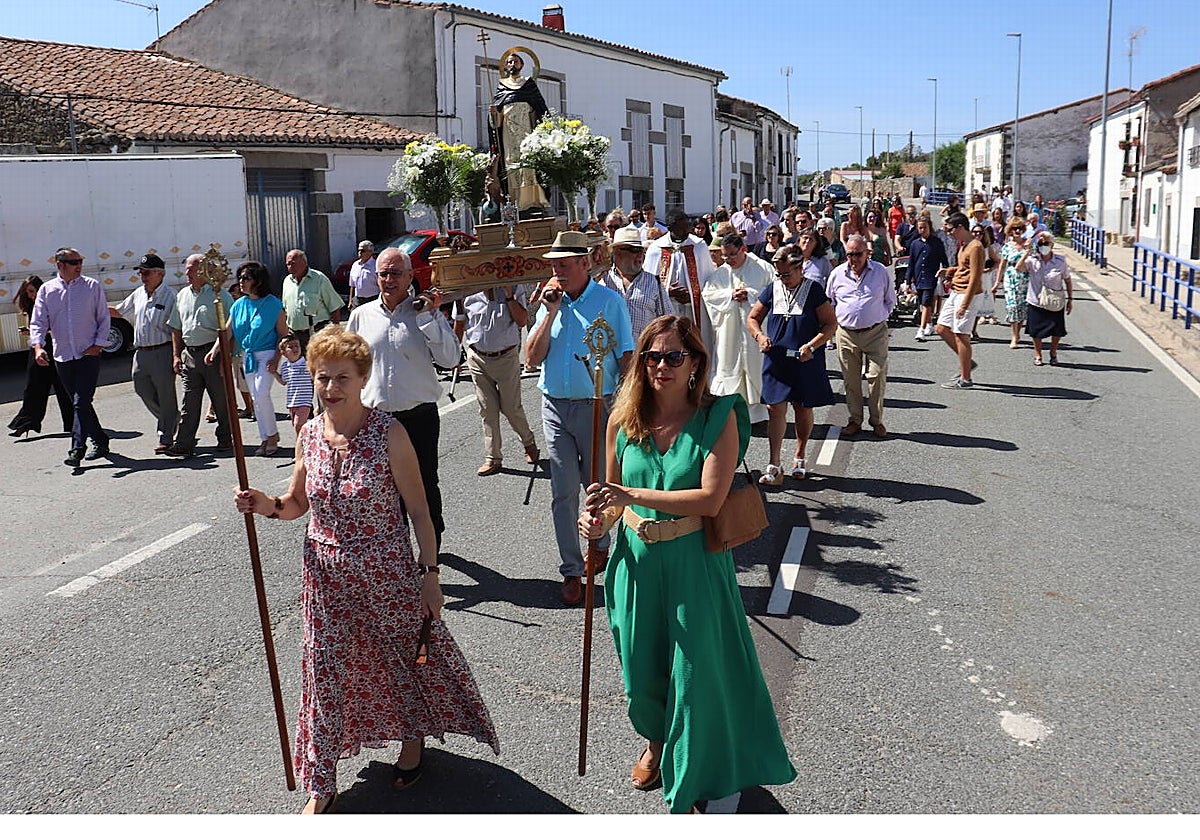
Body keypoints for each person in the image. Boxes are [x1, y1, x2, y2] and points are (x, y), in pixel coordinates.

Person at [233, 327, 498, 815]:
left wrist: (431, 574)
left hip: (386, 572)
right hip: (325, 577)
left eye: (341, 378)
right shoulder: (309, 434)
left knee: (402, 660)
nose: (330, 388)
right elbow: (296, 505)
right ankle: (322, 779)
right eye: (321, 377)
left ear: (361, 380)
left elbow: (419, 511)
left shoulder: (388, 433)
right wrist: (264, 505)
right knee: (324, 674)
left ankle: (412, 738)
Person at [577, 315, 796, 814]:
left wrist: (630, 493)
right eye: (651, 357)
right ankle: (656, 743)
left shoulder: (718, 417)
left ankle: (697, 772)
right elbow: (610, 501)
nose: (661, 366)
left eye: (674, 356)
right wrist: (596, 524)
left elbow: (710, 498)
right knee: (642, 674)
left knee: (695, 676)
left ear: (695, 362)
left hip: (693, 563)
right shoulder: (622, 419)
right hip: (634, 565)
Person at [524, 230, 634, 605]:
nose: (558, 272)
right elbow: (532, 357)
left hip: (598, 404)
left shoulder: (610, 301)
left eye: (565, 265)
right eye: (554, 266)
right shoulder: (548, 302)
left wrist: (627, 406)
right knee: (563, 491)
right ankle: (572, 569)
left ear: (584, 264)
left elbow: (627, 357)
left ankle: (599, 541)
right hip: (555, 404)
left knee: (597, 486)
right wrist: (549, 312)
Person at [347, 247, 461, 548]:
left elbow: (451, 360)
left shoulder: (426, 311)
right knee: (384, 489)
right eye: (383, 273)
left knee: (424, 485)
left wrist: (428, 318)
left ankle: (431, 551)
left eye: (396, 273)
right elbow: (348, 365)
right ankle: (398, 552)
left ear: (410, 276)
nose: (389, 279)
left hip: (419, 416)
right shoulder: (361, 316)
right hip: (377, 420)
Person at [745, 245, 837, 484]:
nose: (783, 279)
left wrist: (813, 346)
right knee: (774, 409)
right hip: (776, 360)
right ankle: (774, 464)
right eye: (779, 274)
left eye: (787, 274)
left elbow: (830, 324)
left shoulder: (814, 290)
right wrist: (760, 336)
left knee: (802, 408)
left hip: (805, 359)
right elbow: (753, 317)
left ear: (800, 268)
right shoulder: (773, 289)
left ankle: (800, 455)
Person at [30, 248, 111, 467]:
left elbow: (104, 318)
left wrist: (98, 345)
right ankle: (101, 440)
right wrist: (38, 347)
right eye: (73, 261)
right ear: (59, 265)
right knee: (81, 404)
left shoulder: (92, 287)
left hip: (88, 355)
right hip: (63, 356)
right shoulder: (47, 290)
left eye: (80, 261)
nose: (78, 265)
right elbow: (38, 322)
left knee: (80, 401)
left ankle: (77, 449)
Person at [462, 283, 539, 476]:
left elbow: (522, 320)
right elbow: (460, 319)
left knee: (511, 408)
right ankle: (493, 457)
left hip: (505, 356)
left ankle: (528, 442)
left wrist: (508, 295)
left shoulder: (515, 287)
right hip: (477, 356)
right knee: (487, 409)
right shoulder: (467, 287)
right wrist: (455, 351)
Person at [827, 235, 897, 439]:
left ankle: (876, 421)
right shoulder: (837, 274)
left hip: (875, 332)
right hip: (846, 334)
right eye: (850, 254)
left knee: (876, 376)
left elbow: (890, 300)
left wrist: (876, 316)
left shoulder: (880, 272)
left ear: (867, 253)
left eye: (858, 254)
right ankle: (855, 420)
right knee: (851, 380)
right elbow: (830, 302)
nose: (853, 258)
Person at [109, 253, 179, 454]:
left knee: (166, 394)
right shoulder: (138, 293)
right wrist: (94, 308)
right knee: (141, 388)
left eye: (146, 273)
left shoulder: (171, 296)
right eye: (140, 272)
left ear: (160, 274)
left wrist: (176, 354)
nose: (142, 276)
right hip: (141, 352)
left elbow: (177, 328)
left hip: (162, 349)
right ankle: (171, 418)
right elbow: (120, 310)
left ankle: (166, 436)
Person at [166, 252, 234, 457]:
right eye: (186, 269)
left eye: (192, 270)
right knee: (190, 401)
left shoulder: (220, 295)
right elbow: (176, 327)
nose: (187, 273)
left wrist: (226, 359)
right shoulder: (182, 296)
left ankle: (225, 437)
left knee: (221, 400)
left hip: (214, 354)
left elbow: (231, 329)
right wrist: (177, 355)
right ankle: (184, 443)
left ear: (204, 270)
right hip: (191, 356)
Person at [702, 233, 770, 424]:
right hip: (729, 333)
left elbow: (773, 292)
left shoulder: (762, 268)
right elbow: (709, 295)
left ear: (743, 249)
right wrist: (730, 295)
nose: (728, 260)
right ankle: (732, 413)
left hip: (754, 332)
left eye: (732, 254)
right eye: (724, 256)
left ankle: (758, 416)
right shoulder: (721, 273)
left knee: (754, 368)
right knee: (729, 366)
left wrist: (750, 295)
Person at [227, 261, 288, 456]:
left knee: (261, 393)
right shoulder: (238, 305)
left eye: (246, 278)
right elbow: (226, 331)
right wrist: (214, 351)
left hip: (268, 354)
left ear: (258, 281)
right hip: (248, 356)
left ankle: (271, 436)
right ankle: (266, 437)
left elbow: (283, 334)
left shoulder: (273, 304)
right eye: (240, 278)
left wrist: (276, 358)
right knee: (255, 398)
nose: (241, 282)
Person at [8, 275, 73, 438]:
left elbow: (58, 327)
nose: (31, 295)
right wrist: (30, 331)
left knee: (63, 387)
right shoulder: (32, 306)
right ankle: (26, 422)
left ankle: (74, 423)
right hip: (38, 349)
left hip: (54, 348)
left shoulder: (49, 302)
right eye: (27, 293)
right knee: (33, 386)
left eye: (32, 291)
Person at [643, 210, 717, 350]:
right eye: (681, 229)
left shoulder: (698, 246)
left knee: (691, 344)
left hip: (692, 308)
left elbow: (709, 279)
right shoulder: (656, 248)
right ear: (670, 228)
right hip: (667, 307)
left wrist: (693, 294)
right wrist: (667, 292)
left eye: (687, 228)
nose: (686, 233)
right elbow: (648, 283)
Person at [490, 50, 550, 214]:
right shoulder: (501, 86)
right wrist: (494, 114)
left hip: (526, 133)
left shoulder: (529, 84)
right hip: (509, 136)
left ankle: (531, 201)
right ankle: (514, 200)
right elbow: (496, 124)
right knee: (512, 165)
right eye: (509, 62)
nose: (512, 65)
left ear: (522, 65)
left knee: (528, 165)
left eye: (515, 61)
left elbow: (541, 109)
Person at [935, 213, 984, 389]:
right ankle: (967, 362)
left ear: (961, 227)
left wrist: (964, 305)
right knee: (941, 328)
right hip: (957, 291)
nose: (949, 233)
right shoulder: (964, 245)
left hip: (968, 294)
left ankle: (966, 379)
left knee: (961, 335)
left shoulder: (976, 247)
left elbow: (975, 277)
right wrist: (949, 270)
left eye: (950, 230)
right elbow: (965, 268)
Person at [601, 227, 670, 339]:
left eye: (641, 250)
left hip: (643, 354)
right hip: (610, 354)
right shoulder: (603, 281)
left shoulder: (654, 283)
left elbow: (667, 321)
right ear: (617, 252)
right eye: (634, 250)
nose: (640, 255)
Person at [1016, 232, 1073, 366]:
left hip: (1054, 300)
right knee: (1036, 330)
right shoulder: (1033, 260)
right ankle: (1038, 354)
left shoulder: (1060, 261)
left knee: (1057, 329)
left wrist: (1070, 299)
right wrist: (1027, 251)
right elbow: (1019, 267)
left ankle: (1053, 352)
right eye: (1041, 243)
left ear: (1052, 245)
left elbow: (1067, 280)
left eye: (1046, 243)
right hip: (1036, 300)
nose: (1043, 246)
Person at [281, 250, 343, 351]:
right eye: (288, 264)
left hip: (317, 333)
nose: (290, 267)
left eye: (293, 264)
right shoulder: (287, 281)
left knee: (319, 364)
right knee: (299, 365)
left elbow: (334, 307)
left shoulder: (319, 279)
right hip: (295, 335)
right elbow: (285, 309)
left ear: (304, 263)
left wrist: (336, 333)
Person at [907, 216, 949, 340]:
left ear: (930, 227)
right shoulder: (915, 244)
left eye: (925, 227)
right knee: (923, 304)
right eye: (920, 228)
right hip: (919, 277)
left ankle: (921, 329)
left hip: (931, 278)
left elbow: (944, 260)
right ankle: (930, 324)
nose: (923, 230)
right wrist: (908, 281)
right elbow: (911, 263)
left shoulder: (936, 242)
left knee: (926, 303)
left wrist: (947, 275)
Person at [993, 217, 1032, 348]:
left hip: (1025, 278)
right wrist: (997, 282)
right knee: (1012, 306)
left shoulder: (1028, 244)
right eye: (1015, 228)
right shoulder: (1007, 247)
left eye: (1020, 228)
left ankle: (1018, 332)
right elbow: (1002, 265)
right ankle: (1014, 336)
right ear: (1010, 230)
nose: (1017, 231)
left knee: (1022, 308)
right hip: (1011, 279)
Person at [275, 333, 314, 440]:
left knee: (299, 424)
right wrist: (274, 373)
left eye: (297, 345)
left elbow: (315, 377)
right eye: (290, 347)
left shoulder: (307, 364)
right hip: (292, 402)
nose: (295, 348)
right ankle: (305, 444)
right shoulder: (285, 367)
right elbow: (284, 381)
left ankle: (301, 448)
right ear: (283, 353)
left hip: (304, 401)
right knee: (297, 426)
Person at [348, 240, 379, 308]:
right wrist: (350, 301)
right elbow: (352, 285)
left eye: (362, 251)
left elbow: (381, 285)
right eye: (359, 250)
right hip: (357, 300)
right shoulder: (355, 265)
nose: (360, 253)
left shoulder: (376, 266)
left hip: (372, 300)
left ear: (370, 252)